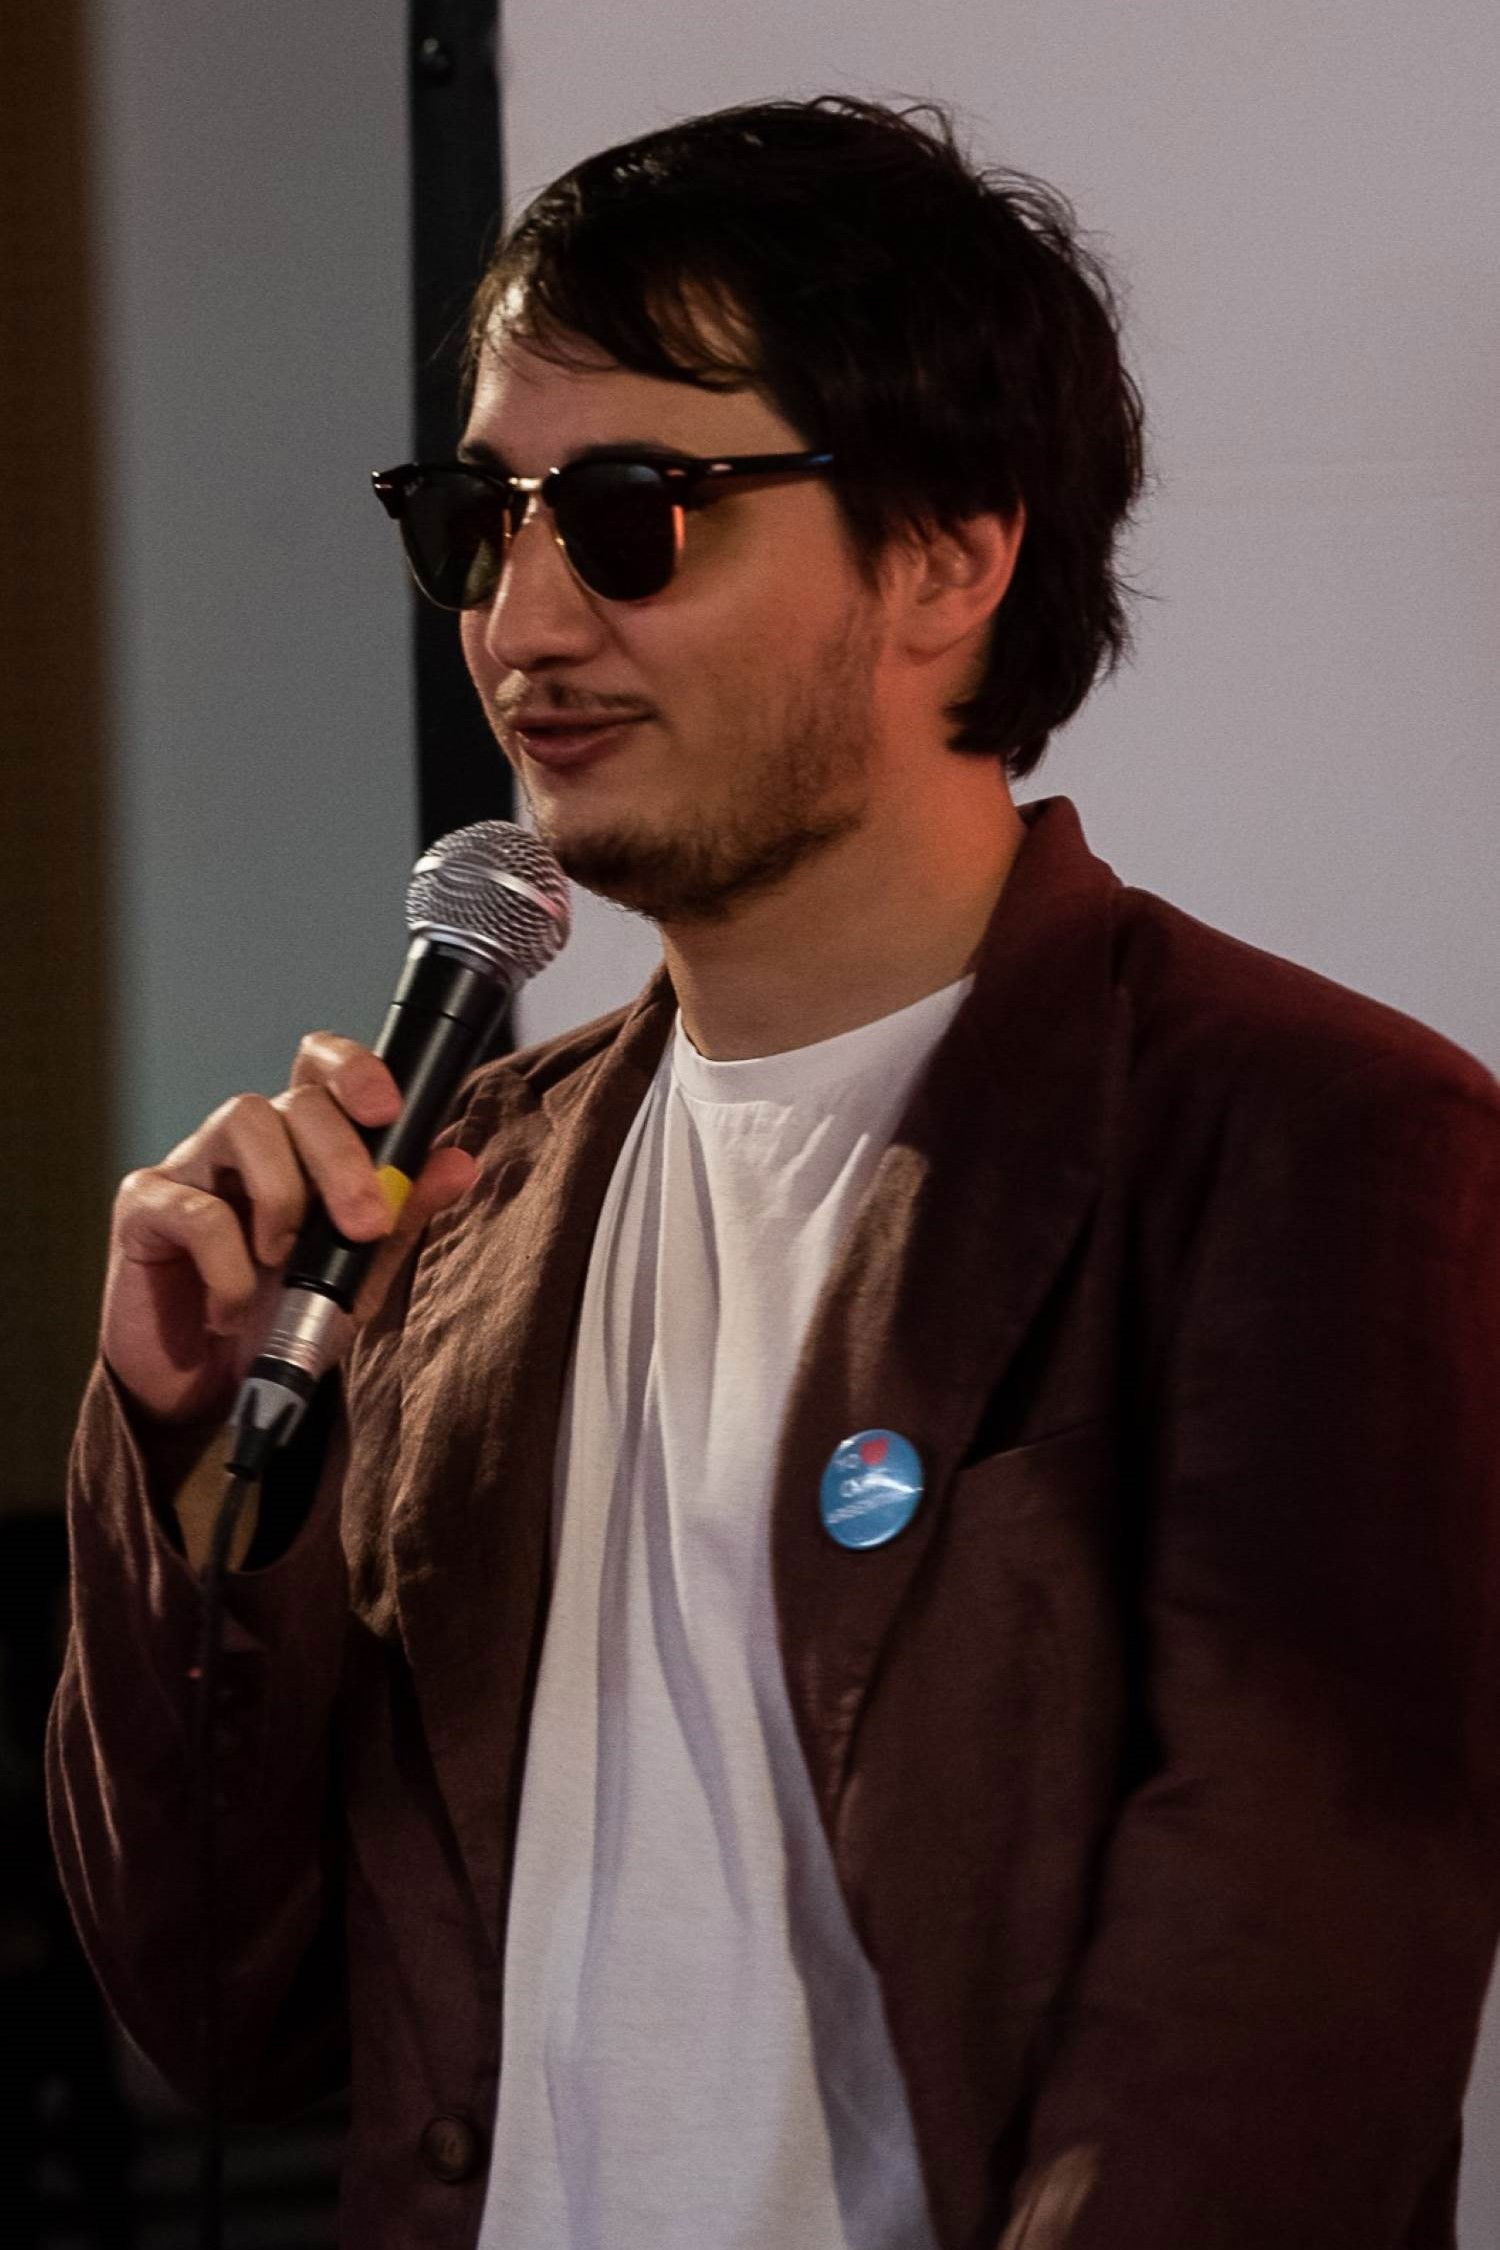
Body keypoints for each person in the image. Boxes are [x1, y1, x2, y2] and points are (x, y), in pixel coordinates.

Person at [46, 95, 1500, 2250]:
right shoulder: (466, 1203)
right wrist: (186, 1466)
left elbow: (1275, 2024)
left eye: (629, 515)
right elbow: (223, 2014)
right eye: (478, 519)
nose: (524, 622)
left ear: (948, 557)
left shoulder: (1303, 1140)